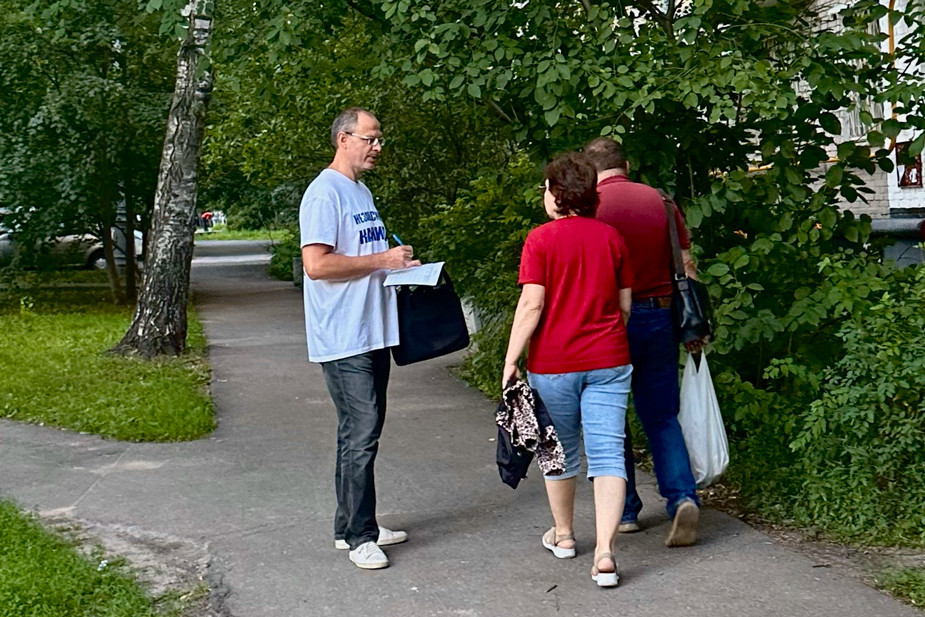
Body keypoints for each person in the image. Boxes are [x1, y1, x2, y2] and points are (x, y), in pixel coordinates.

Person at [502, 152, 634, 588]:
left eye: (545, 188)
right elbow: (625, 305)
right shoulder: (612, 238)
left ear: (557, 196)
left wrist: (511, 358)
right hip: (610, 360)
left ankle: (563, 536)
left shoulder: (540, 240)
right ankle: (605, 554)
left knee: (559, 450)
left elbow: (532, 304)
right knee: (609, 454)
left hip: (554, 363)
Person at [299, 107, 420, 570]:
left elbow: (368, 254)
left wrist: (397, 260)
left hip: (371, 330)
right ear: (343, 139)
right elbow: (317, 265)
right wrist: (381, 262)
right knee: (361, 432)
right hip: (343, 336)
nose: (377, 148)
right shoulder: (323, 193)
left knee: (360, 432)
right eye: (370, 139)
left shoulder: (360, 191)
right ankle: (358, 536)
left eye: (380, 139)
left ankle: (353, 521)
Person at [583, 137, 703, 547]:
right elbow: (686, 263)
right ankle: (683, 498)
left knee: (610, 417)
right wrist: (694, 325)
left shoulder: (585, 206)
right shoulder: (663, 203)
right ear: (627, 164)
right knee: (662, 414)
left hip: (608, 319)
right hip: (661, 313)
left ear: (588, 168)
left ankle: (628, 511)